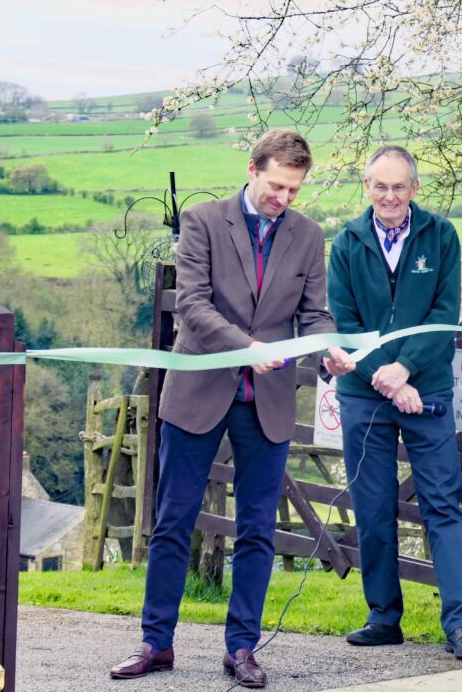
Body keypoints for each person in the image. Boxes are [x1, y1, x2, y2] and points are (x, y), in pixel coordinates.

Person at [109, 130, 355, 688]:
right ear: (252, 168)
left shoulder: (310, 236)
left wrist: (329, 347)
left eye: (294, 189)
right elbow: (191, 306)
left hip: (266, 403)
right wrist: (248, 348)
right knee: (172, 522)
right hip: (198, 392)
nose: (284, 198)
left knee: (257, 531)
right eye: (276, 186)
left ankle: (241, 649)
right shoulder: (202, 222)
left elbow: (314, 315)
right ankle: (155, 643)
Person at [327, 145, 462, 661]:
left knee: (443, 505)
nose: (389, 196)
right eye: (380, 186)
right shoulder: (347, 242)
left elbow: (446, 311)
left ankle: (461, 626)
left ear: (415, 188)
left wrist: (409, 369)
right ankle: (382, 617)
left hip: (429, 389)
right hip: (363, 394)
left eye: (399, 187)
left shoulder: (441, 236)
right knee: (372, 507)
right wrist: (387, 379)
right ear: (366, 185)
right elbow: (344, 323)